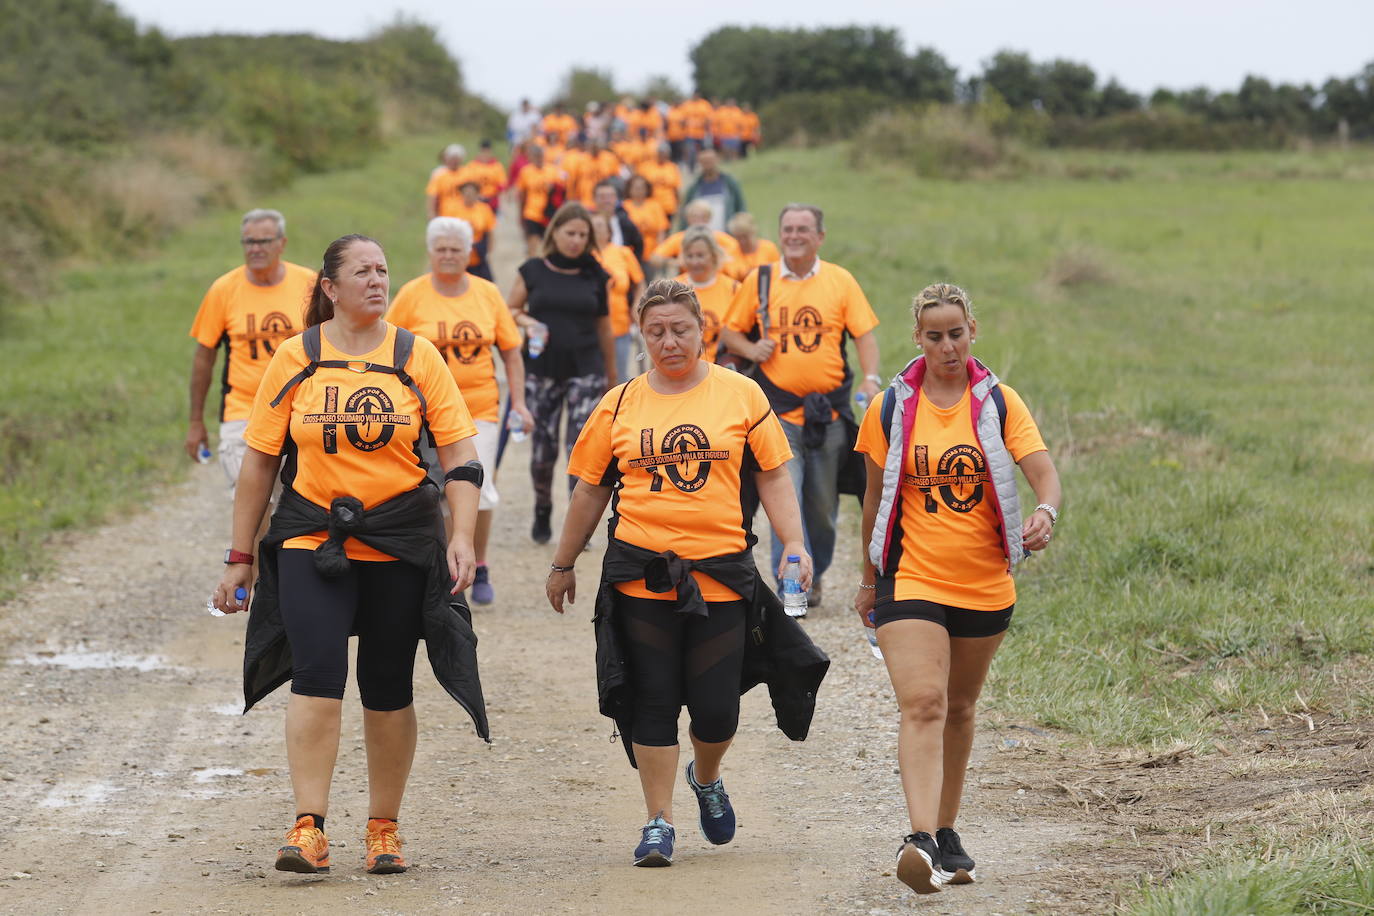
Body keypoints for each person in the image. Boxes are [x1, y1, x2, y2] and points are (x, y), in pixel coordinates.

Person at [211, 234, 490, 876]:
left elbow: (460, 457)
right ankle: (309, 827)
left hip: (398, 538)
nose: (377, 280)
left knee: (388, 684)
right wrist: (239, 556)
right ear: (330, 289)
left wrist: (461, 536)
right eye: (362, 271)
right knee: (317, 674)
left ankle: (383, 829)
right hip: (315, 536)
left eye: (383, 270)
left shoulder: (417, 356)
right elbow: (258, 464)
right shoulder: (295, 357)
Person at [547, 278, 827, 868]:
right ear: (641, 336)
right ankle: (658, 821)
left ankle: (706, 776)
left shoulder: (742, 395)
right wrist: (563, 562)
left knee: (716, 707)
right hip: (639, 574)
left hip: (722, 571)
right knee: (652, 698)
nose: (670, 342)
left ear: (704, 330)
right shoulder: (620, 402)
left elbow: (774, 473)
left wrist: (795, 544)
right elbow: (591, 489)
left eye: (681, 329)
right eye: (657, 332)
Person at [854, 283, 1061, 895]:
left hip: (985, 584)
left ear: (973, 330)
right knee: (924, 702)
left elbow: (1043, 472)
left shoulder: (998, 401)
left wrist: (1046, 512)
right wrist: (869, 580)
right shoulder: (890, 407)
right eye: (934, 335)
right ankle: (918, 839)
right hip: (910, 576)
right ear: (917, 338)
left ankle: (946, 833)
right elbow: (872, 499)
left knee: (961, 709)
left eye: (957, 333)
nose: (947, 346)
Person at [718, 203, 882, 609]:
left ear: (819, 237)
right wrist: (752, 347)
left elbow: (863, 335)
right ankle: (793, 585)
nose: (794, 235)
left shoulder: (840, 281)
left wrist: (871, 376)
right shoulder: (760, 280)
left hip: (827, 415)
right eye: (787, 228)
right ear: (779, 234)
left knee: (823, 509)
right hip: (775, 413)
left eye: (803, 229)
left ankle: (816, 571)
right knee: (783, 499)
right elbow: (728, 331)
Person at [389, 217, 533, 605]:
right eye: (441, 249)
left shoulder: (486, 294)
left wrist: (518, 401)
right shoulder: (412, 295)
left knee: (477, 488)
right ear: (431, 252)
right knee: (429, 491)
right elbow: (386, 349)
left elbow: (511, 351)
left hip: (477, 408)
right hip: (421, 412)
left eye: (456, 249)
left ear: (469, 253)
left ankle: (477, 562)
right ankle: (443, 566)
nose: (449, 256)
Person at [506, 202, 616, 543]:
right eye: (571, 233)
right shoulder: (533, 270)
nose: (576, 241)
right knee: (543, 448)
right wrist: (529, 322)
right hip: (542, 370)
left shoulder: (595, 273)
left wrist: (612, 377)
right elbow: (509, 310)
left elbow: (604, 325)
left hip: (586, 369)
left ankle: (576, 523)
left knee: (581, 448)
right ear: (555, 232)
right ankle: (542, 506)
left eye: (583, 235)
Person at [187, 209, 314, 488]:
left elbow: (333, 342)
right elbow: (204, 358)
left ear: (282, 243)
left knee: (296, 506)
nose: (255, 249)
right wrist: (196, 421)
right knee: (254, 507)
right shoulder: (223, 290)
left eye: (264, 241)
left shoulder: (308, 284)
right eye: (249, 242)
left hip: (301, 408)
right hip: (243, 411)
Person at [592, 213, 644, 383]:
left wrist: (637, 304)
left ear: (609, 231)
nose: (596, 229)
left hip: (620, 324)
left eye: (600, 225)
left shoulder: (623, 253)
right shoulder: (583, 256)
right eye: (592, 226)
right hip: (590, 328)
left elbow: (639, 283)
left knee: (619, 376)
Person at [675, 227, 737, 362]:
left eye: (700, 255)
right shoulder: (672, 288)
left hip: (723, 370)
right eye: (689, 256)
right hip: (683, 369)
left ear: (714, 255)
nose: (694, 262)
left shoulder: (733, 289)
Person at [651, 200, 740, 275]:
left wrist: (720, 259)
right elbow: (655, 258)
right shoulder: (679, 239)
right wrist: (676, 263)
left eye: (703, 217)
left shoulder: (719, 238)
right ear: (688, 219)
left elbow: (738, 252)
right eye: (694, 217)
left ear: (709, 218)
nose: (698, 221)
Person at [677, 148, 745, 232]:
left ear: (717, 160)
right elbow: (686, 216)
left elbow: (741, 209)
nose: (708, 165)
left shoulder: (730, 184)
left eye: (710, 161)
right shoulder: (694, 189)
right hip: (702, 237)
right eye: (705, 162)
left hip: (726, 235)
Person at [442, 182, 496, 281]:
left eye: (472, 193)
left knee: (486, 281)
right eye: (466, 193)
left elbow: (490, 231)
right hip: (458, 253)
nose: (469, 196)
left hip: (478, 253)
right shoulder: (452, 209)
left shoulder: (484, 209)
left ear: (477, 194)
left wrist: (489, 250)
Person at [516, 144, 563, 257]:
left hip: (548, 213)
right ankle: (532, 263)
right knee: (533, 239)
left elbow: (560, 192)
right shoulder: (526, 172)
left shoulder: (552, 170)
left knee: (548, 242)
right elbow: (522, 194)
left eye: (540, 156)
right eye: (535, 156)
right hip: (532, 212)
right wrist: (520, 213)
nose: (538, 159)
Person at [592, 180, 645, 264]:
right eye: (602, 197)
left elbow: (638, 244)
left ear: (616, 198)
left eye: (610, 196)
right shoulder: (588, 223)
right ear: (594, 199)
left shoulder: (626, 222)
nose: (606, 201)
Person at [722, 212, 780, 283]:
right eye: (738, 237)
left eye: (745, 236)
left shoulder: (769, 248)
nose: (742, 241)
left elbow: (778, 273)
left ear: (753, 232)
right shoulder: (730, 253)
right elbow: (726, 279)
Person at [621, 174, 670, 258]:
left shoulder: (655, 205)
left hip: (651, 251)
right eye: (636, 188)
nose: (639, 191)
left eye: (642, 188)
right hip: (630, 252)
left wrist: (659, 252)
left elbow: (661, 230)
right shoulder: (624, 206)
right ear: (629, 189)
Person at [639, 142, 682, 222]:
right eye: (660, 152)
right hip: (651, 205)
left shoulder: (673, 167)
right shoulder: (646, 167)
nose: (662, 155)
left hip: (668, 206)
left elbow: (676, 188)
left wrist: (679, 205)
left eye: (664, 153)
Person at [425, 144, 467, 220]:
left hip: (464, 216)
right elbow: (432, 195)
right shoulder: (439, 174)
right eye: (453, 158)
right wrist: (431, 213)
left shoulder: (467, 173)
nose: (455, 161)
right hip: (444, 215)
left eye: (457, 158)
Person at [465, 140, 508, 211]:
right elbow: (467, 183)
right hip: (476, 201)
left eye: (487, 151)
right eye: (483, 151)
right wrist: (477, 195)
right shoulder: (472, 165)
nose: (485, 153)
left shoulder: (497, 166)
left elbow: (502, 184)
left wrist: (492, 195)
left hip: (492, 201)